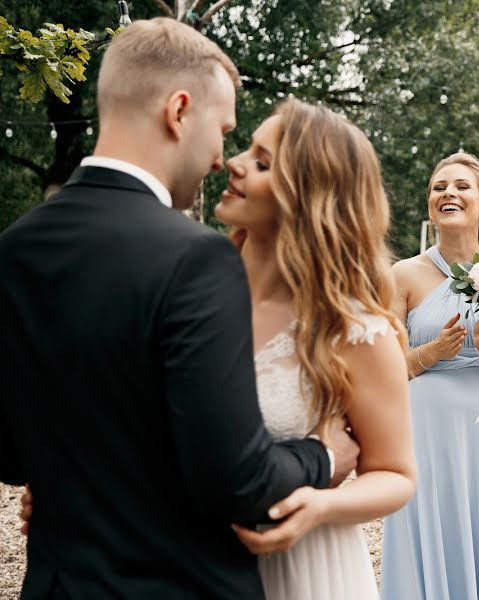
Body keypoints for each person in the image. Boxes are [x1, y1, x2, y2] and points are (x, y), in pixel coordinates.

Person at [0, 18, 357, 599]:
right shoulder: (195, 257)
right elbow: (237, 481)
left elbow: (12, 453)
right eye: (222, 130)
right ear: (179, 111)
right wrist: (320, 457)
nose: (222, 158)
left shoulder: (14, 248)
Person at [214, 98, 416, 599]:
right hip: (190, 558)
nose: (234, 163)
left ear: (309, 197)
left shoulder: (353, 328)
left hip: (302, 568)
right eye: (247, 150)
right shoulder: (195, 293)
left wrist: (318, 506)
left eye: (262, 162)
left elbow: (395, 473)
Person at [380, 152, 479, 599]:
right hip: (427, 433)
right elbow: (385, 369)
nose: (448, 193)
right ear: (431, 205)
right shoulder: (402, 275)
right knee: (430, 531)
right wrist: (429, 353)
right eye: (439, 187)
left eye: (461, 186)